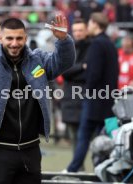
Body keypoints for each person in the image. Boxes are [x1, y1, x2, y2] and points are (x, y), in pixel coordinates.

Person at [0, 13, 75, 184]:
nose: (14, 43)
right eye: (10, 38)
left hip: (31, 149)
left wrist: (64, 41)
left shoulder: (39, 60)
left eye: (19, 38)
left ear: (25, 37)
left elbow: (64, 62)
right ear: (0, 38)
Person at [65, 12, 118, 172]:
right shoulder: (110, 44)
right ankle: (103, 168)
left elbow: (93, 73)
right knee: (104, 138)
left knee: (83, 137)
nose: (88, 27)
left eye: (89, 24)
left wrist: (88, 91)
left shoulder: (96, 44)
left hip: (95, 99)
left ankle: (73, 169)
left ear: (95, 23)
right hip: (108, 99)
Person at [61, 19, 90, 151]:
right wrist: (82, 67)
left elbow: (89, 72)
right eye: (75, 30)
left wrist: (73, 70)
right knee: (74, 138)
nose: (78, 33)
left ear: (86, 31)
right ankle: (77, 168)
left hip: (86, 96)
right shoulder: (67, 47)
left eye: (81, 30)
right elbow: (63, 71)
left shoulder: (92, 48)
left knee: (87, 137)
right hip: (70, 97)